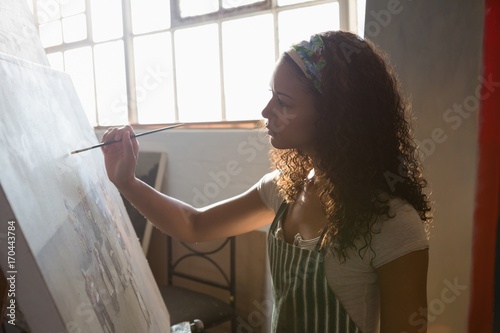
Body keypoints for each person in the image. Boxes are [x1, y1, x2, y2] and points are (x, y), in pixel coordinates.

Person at [102, 30, 432, 333]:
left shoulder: (392, 222)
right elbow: (194, 225)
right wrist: (127, 182)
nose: (266, 110)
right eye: (272, 95)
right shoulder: (282, 188)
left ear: (335, 115)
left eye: (284, 102)